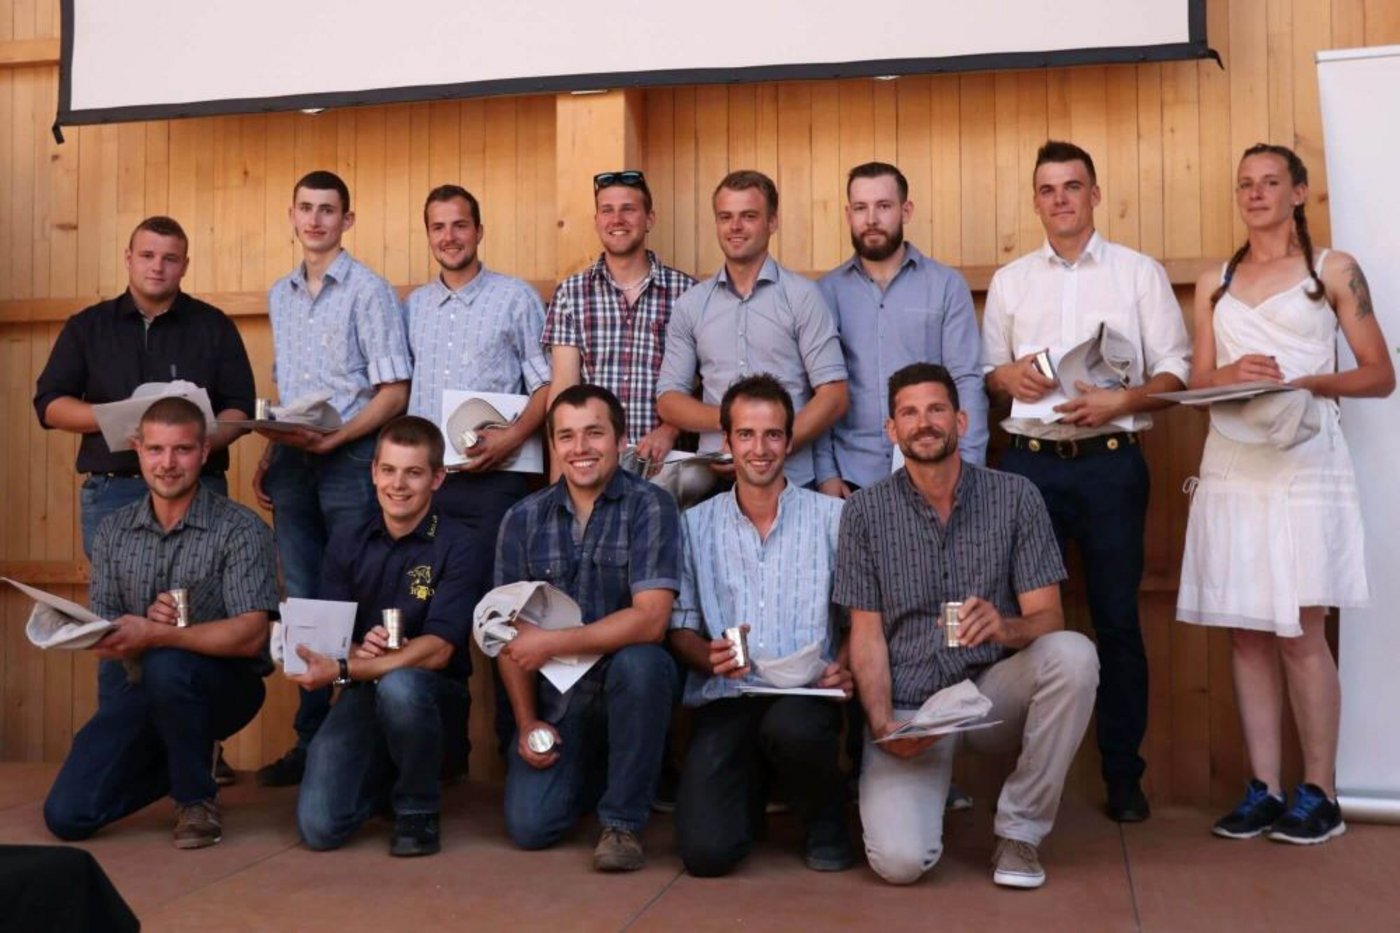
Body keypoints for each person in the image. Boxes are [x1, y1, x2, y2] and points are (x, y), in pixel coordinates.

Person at [1177, 143, 1394, 845]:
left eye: (1270, 181)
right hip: (1233, 457)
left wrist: (1305, 382)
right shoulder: (1215, 281)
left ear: (1298, 191)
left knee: (1302, 625)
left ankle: (1320, 793)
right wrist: (1230, 373)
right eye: (1245, 183)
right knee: (1245, 628)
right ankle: (1265, 789)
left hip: (1305, 457)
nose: (1256, 193)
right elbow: (1198, 381)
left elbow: (1379, 374)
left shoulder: (1332, 270)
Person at [981, 140, 1191, 823]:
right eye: (1048, 189)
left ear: (1095, 194)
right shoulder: (1012, 280)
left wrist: (1123, 400)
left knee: (1117, 620)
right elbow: (988, 373)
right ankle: (1016, 779)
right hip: (1028, 467)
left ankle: (1123, 776)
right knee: (1020, 619)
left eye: (1072, 186)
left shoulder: (1138, 273)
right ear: (1036, 200)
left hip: (1110, 463)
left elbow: (1177, 372)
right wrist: (1006, 376)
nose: (1061, 199)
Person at [834, 363, 1098, 888]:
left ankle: (1020, 832)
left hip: (987, 697)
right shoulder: (864, 511)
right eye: (909, 413)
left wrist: (1004, 627)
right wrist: (883, 726)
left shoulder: (1015, 496)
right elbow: (865, 635)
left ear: (961, 420)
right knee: (899, 863)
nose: (924, 423)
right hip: (912, 709)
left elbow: (1049, 617)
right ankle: (916, 788)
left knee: (1074, 655)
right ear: (891, 430)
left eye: (936, 409)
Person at [43, 397, 277, 849]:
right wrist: (102, 635)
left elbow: (251, 636)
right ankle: (188, 757)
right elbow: (106, 638)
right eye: (156, 449)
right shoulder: (112, 531)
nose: (167, 464)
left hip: (228, 689)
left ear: (204, 452)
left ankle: (195, 801)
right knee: (68, 815)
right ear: (137, 449)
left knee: (169, 664)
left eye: (182, 450)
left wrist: (158, 634)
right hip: (141, 687)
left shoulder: (242, 529)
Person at [254, 170, 412, 787]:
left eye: (328, 210)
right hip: (294, 458)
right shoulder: (280, 294)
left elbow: (394, 392)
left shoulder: (369, 290)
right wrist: (271, 451)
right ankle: (311, 740)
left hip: (350, 455)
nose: (316, 219)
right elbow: (288, 388)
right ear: (291, 215)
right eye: (306, 208)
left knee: (358, 592)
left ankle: (360, 742)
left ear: (347, 220)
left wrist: (340, 438)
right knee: (301, 599)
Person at [669, 375, 855, 877]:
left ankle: (826, 820)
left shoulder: (833, 518)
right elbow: (680, 627)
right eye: (746, 435)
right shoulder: (693, 524)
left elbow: (859, 618)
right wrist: (706, 654)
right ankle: (751, 790)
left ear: (790, 442)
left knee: (791, 728)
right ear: (727, 442)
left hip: (806, 695)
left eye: (773, 434)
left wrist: (844, 666)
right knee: (705, 855)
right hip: (728, 696)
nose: (760, 448)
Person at [494, 385, 681, 872]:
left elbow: (651, 620)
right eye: (567, 436)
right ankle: (596, 774)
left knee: (644, 663)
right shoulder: (521, 519)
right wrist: (526, 723)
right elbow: (506, 636)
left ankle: (622, 823)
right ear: (553, 445)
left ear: (620, 439)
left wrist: (551, 642)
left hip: (627, 692)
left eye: (594, 433)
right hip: (560, 704)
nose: (580, 448)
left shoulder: (651, 506)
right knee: (530, 827)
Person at [293, 416, 489, 857]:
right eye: (388, 470)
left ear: (437, 478)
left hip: (433, 696)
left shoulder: (460, 544)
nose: (397, 485)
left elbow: (438, 651)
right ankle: (391, 777)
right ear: (373, 472)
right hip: (364, 690)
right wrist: (354, 651)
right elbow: (332, 638)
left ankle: (418, 809)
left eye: (413, 473)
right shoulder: (347, 539)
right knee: (319, 827)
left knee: (401, 687)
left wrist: (350, 665)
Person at [33, 215, 256, 556]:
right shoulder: (87, 326)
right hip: (113, 491)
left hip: (199, 487)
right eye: (147, 255)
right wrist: (121, 419)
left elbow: (240, 407)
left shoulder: (215, 326)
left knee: (202, 588)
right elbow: (49, 404)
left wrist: (190, 444)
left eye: (170, 258)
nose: (157, 267)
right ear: (128, 258)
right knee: (118, 590)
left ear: (185, 266)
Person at [656, 170, 849, 489]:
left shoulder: (802, 297)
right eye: (725, 217)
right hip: (715, 482)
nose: (735, 226)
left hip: (791, 480)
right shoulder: (691, 304)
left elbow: (834, 396)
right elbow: (668, 400)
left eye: (748, 216)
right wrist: (734, 425)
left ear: (772, 222)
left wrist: (771, 446)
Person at [817, 160, 988, 496]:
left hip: (934, 471)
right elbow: (821, 391)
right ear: (848, 214)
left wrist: (969, 467)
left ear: (906, 211)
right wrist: (825, 473)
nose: (871, 219)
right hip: (852, 477)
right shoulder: (825, 293)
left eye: (883, 206)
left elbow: (966, 380)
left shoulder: (946, 286)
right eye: (860, 208)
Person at [406, 184, 549, 550]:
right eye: (438, 227)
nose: (449, 237)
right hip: (423, 482)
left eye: (460, 225)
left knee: (489, 579)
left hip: (494, 477)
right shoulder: (413, 307)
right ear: (428, 235)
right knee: (424, 579)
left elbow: (548, 386)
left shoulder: (515, 298)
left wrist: (511, 438)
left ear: (479, 231)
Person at [543, 171, 696, 463]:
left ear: (649, 219)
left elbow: (703, 384)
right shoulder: (570, 294)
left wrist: (670, 429)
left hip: (667, 464)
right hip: (593, 462)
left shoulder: (687, 292)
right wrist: (560, 476)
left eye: (628, 209)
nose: (617, 219)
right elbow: (563, 389)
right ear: (596, 221)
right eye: (607, 210)